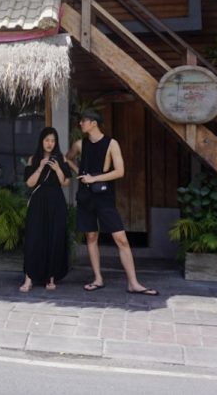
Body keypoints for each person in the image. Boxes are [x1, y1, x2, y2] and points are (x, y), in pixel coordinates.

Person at [66, 109, 159, 295]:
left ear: (93, 123)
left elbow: (120, 171)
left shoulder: (111, 144)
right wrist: (80, 173)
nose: (80, 124)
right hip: (85, 197)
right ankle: (98, 279)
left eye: (83, 121)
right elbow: (67, 158)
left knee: (121, 239)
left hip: (104, 197)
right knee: (91, 237)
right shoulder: (80, 144)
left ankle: (133, 283)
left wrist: (94, 179)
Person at [20, 127, 71, 292]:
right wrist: (41, 167)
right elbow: (29, 183)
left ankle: (51, 277)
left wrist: (57, 169)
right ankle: (29, 278)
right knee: (34, 238)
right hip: (38, 202)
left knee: (54, 238)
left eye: (53, 140)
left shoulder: (60, 159)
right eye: (47, 140)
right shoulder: (33, 159)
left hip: (56, 202)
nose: (50, 144)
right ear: (41, 141)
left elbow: (66, 183)